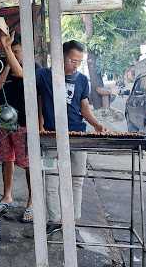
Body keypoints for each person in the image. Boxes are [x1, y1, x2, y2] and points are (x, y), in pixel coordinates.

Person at [36, 40, 105, 238]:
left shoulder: (82, 80)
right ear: (61, 57)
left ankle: (72, 221)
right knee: (50, 180)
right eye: (72, 60)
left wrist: (96, 124)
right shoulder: (44, 75)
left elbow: (84, 107)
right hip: (51, 137)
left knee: (77, 180)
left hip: (77, 137)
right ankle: (55, 220)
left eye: (79, 61)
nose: (75, 65)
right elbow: (33, 93)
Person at [0, 32, 38, 223]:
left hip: (24, 124)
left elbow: (21, 74)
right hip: (4, 123)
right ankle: (7, 196)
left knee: (28, 164)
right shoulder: (1, 68)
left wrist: (7, 50)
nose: (15, 54)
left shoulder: (32, 68)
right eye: (12, 51)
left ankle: (32, 202)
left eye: (18, 51)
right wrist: (5, 66)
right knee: (6, 159)